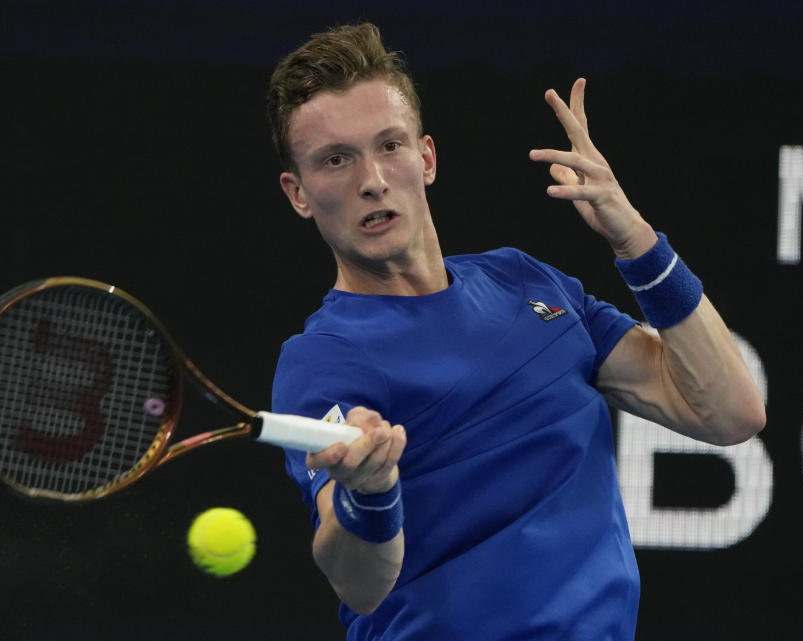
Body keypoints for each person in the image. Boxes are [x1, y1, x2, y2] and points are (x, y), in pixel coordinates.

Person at [266, 22, 765, 641]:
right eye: (335, 160)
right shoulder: (323, 360)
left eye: (389, 146)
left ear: (426, 158)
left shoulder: (528, 283)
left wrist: (634, 239)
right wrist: (368, 493)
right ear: (299, 194)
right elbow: (359, 583)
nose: (371, 179)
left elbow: (730, 412)